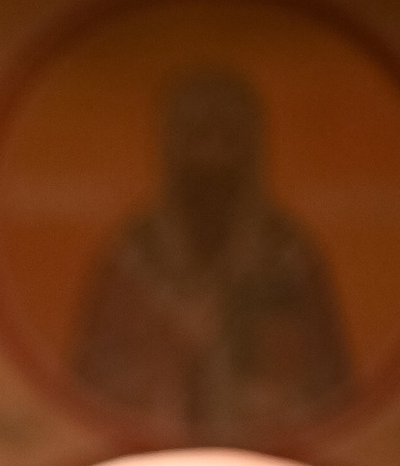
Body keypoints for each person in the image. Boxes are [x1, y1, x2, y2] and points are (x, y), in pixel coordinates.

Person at [71, 63, 352, 440]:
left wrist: (254, 362)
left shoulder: (287, 254)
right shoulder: (134, 254)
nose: (211, 156)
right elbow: (95, 376)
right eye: (196, 137)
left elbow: (325, 380)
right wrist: (168, 347)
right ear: (172, 146)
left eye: (227, 138)